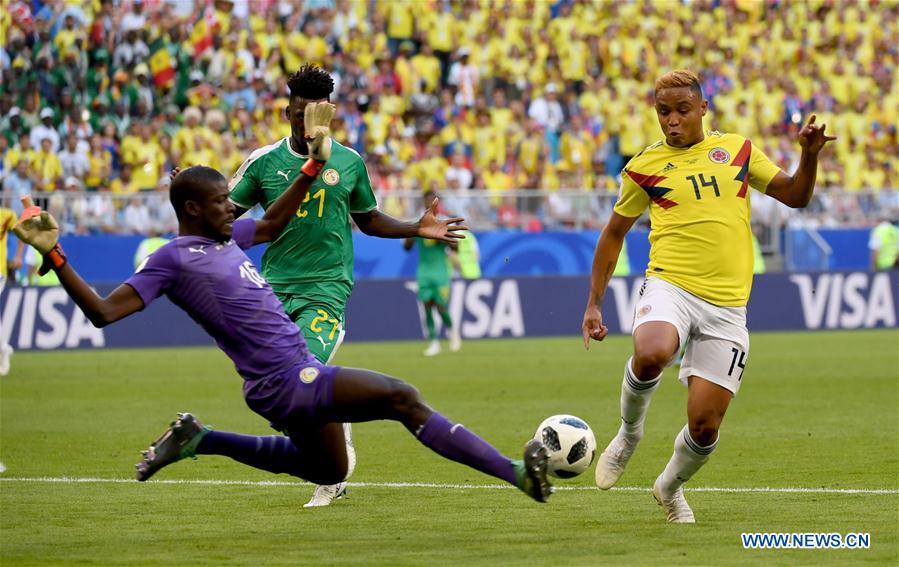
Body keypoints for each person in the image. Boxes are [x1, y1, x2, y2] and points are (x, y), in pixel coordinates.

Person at [12, 103, 553, 505]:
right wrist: (55, 255)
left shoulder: (229, 238)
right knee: (401, 397)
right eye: (223, 202)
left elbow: (273, 222)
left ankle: (200, 438)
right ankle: (517, 474)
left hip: (278, 383)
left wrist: (313, 168)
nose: (234, 207)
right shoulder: (172, 259)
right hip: (285, 379)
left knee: (325, 468)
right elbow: (103, 312)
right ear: (193, 208)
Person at [581, 70, 835, 523]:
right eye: (663, 112)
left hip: (727, 308)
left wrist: (808, 156)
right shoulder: (644, 167)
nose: (672, 121)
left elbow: (795, 196)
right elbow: (613, 234)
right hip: (670, 284)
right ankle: (629, 433)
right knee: (653, 350)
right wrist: (594, 303)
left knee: (704, 427)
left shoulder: (736, 150)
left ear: (702, 109)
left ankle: (669, 489)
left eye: (681, 110)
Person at [228, 64, 466, 506]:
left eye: (314, 116)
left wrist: (416, 227)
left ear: (329, 115)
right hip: (274, 288)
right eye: (299, 115)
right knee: (275, 393)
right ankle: (337, 417)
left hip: (326, 286)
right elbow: (225, 216)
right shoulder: (263, 162)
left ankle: (332, 473)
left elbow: (369, 220)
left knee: (297, 379)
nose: (306, 125)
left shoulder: (349, 162)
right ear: (287, 114)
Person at [404, 191, 462, 356]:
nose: (430, 205)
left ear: (437, 204)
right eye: (427, 202)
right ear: (423, 203)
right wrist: (411, 232)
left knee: (440, 305)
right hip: (424, 271)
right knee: (427, 305)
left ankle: (452, 332)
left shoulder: (443, 222)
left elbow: (455, 247)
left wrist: (442, 236)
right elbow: (407, 248)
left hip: (441, 271)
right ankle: (434, 342)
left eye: (433, 202)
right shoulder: (418, 221)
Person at [0, 205, 22, 376]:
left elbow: (23, 231)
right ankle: (3, 348)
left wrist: (18, 256)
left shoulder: (6, 215)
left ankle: (3, 348)